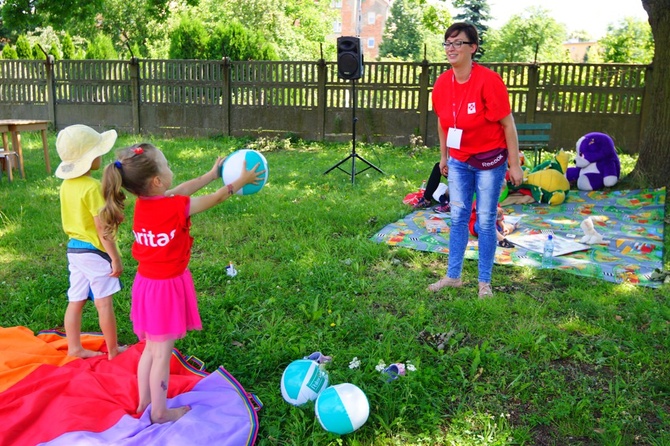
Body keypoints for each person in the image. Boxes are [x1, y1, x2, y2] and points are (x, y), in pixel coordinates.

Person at [99, 143, 263, 424]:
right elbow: (214, 199)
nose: (171, 169)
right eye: (167, 165)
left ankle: (144, 401)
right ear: (157, 181)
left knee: (151, 348)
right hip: (165, 289)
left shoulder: (145, 204)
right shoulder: (174, 206)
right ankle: (160, 413)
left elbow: (183, 189)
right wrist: (239, 182)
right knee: (162, 354)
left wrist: (212, 174)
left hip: (146, 285)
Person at [428, 22, 524, 298]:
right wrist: (444, 156)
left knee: (484, 220)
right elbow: (442, 123)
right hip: (459, 160)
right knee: (458, 218)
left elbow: (508, 124)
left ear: (473, 48)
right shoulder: (443, 83)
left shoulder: (488, 81)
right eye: (448, 42)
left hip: (490, 161)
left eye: (458, 43)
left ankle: (484, 283)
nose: (451, 48)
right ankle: (453, 276)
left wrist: (514, 164)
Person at [54, 124, 125, 360]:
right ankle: (113, 350)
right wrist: (114, 256)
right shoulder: (92, 187)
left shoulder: (66, 186)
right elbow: (101, 228)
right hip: (94, 252)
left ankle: (74, 348)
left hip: (74, 250)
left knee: (75, 301)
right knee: (104, 304)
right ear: (90, 158)